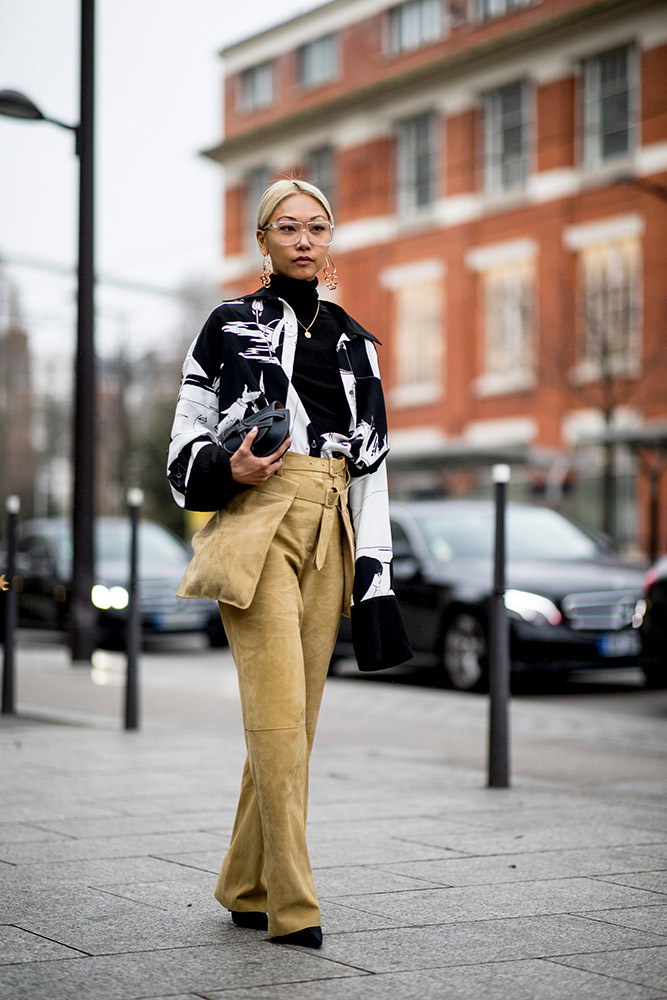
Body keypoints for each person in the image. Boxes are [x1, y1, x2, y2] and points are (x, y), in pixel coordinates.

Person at [167, 178, 410, 949]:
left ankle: (242, 881)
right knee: (276, 714)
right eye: (288, 227)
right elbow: (180, 448)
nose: (304, 239)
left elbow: (373, 471)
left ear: (329, 239)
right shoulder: (226, 325)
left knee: (294, 723)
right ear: (262, 240)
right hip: (257, 520)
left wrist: (377, 580)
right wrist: (224, 471)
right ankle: (292, 903)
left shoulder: (357, 342)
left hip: (332, 522)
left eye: (317, 227)